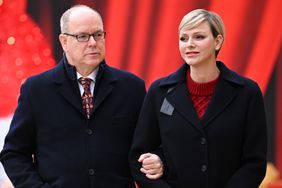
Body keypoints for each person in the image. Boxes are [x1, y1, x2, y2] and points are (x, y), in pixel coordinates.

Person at [0, 5, 163, 188]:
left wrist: (158, 158)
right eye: (82, 36)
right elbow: (13, 154)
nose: (93, 42)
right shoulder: (36, 89)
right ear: (64, 42)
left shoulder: (131, 87)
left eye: (98, 35)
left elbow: (153, 143)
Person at [129, 9, 267, 188]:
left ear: (217, 42)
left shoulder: (247, 92)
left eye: (199, 37)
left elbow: (254, 163)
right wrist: (158, 161)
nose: (189, 44)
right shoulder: (158, 91)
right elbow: (139, 158)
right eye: (183, 38)